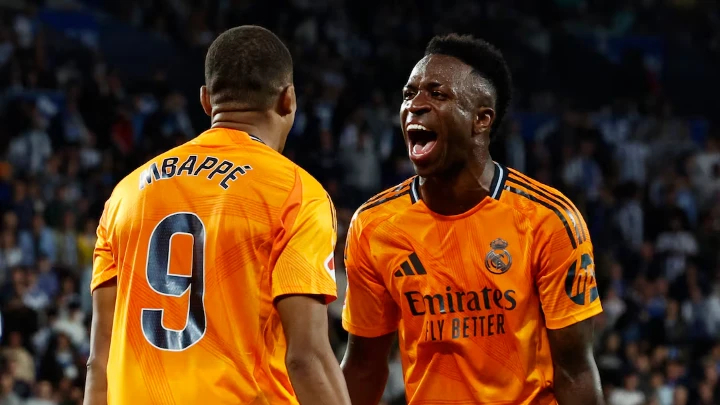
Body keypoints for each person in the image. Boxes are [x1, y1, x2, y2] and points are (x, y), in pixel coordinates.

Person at [83, 26, 351, 405]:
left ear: (207, 101)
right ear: (288, 99)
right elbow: (307, 358)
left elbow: (99, 360)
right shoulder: (295, 192)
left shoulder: (125, 194)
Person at [341, 33, 605, 405]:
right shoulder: (374, 225)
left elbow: (575, 370)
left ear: (481, 119)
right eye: (408, 94)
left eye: (437, 94)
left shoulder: (548, 220)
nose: (415, 105)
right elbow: (364, 367)